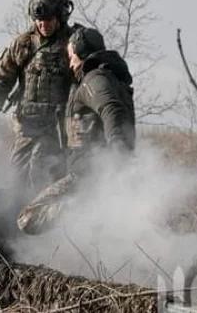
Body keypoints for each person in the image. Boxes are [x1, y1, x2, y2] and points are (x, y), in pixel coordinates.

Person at [17, 26, 136, 234]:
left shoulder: (95, 79)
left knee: (28, 218)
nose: (70, 63)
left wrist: (118, 154)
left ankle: (90, 207)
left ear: (81, 54)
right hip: (93, 171)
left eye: (72, 56)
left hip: (88, 175)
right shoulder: (108, 78)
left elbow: (111, 109)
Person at [0, 0, 78, 194]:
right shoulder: (23, 44)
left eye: (48, 20)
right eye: (38, 20)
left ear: (59, 16)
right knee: (18, 177)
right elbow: (0, 76)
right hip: (28, 126)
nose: (43, 25)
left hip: (60, 128)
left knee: (46, 174)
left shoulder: (74, 44)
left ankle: (51, 223)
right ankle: (15, 221)